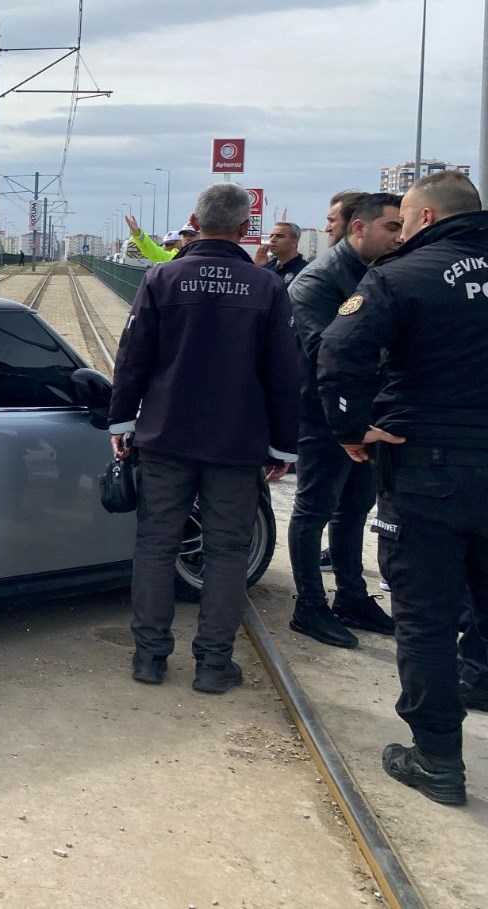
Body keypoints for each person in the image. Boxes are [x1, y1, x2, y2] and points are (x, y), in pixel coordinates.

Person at [317, 170, 488, 805]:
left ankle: (438, 757)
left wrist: (352, 428)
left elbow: (338, 357)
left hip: (428, 471)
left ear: (423, 219)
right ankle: (482, 682)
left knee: (425, 616)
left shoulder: (398, 277)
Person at [108, 183, 299, 694]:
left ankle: (149, 658)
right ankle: (214, 666)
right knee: (228, 552)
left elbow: (132, 358)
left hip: (165, 436)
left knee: (154, 546)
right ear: (243, 230)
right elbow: (284, 371)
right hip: (236, 445)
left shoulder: (160, 278)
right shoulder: (266, 287)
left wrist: (121, 422)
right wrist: (284, 445)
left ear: (194, 218)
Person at [285, 192, 405, 649]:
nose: (399, 237)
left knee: (354, 508)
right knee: (313, 509)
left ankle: (351, 596)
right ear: (360, 228)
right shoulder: (320, 279)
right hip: (324, 415)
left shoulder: (378, 272)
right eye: (391, 228)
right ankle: (309, 606)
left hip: (371, 413)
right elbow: (325, 355)